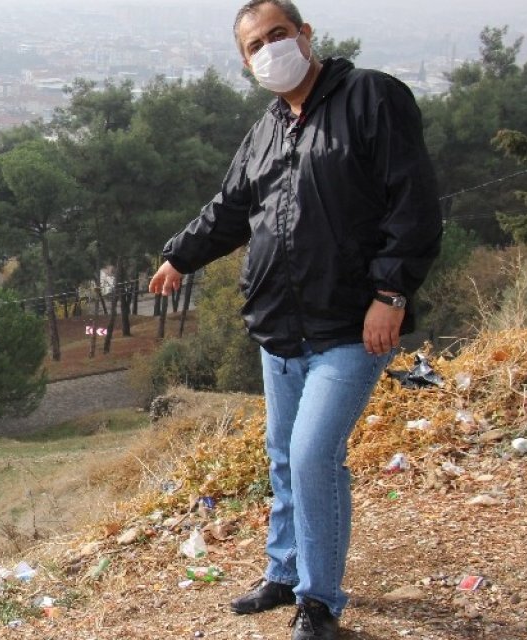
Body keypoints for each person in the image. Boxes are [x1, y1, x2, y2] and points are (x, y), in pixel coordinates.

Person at [147, 1, 443, 638]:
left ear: (307, 36)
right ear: (246, 62)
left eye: (277, 35)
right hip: (281, 326)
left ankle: (320, 600)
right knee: (282, 454)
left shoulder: (371, 98)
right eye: (254, 46)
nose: (268, 50)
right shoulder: (267, 129)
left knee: (313, 457)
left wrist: (391, 294)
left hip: (350, 326)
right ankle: (283, 572)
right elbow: (230, 207)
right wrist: (179, 254)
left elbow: (413, 201)